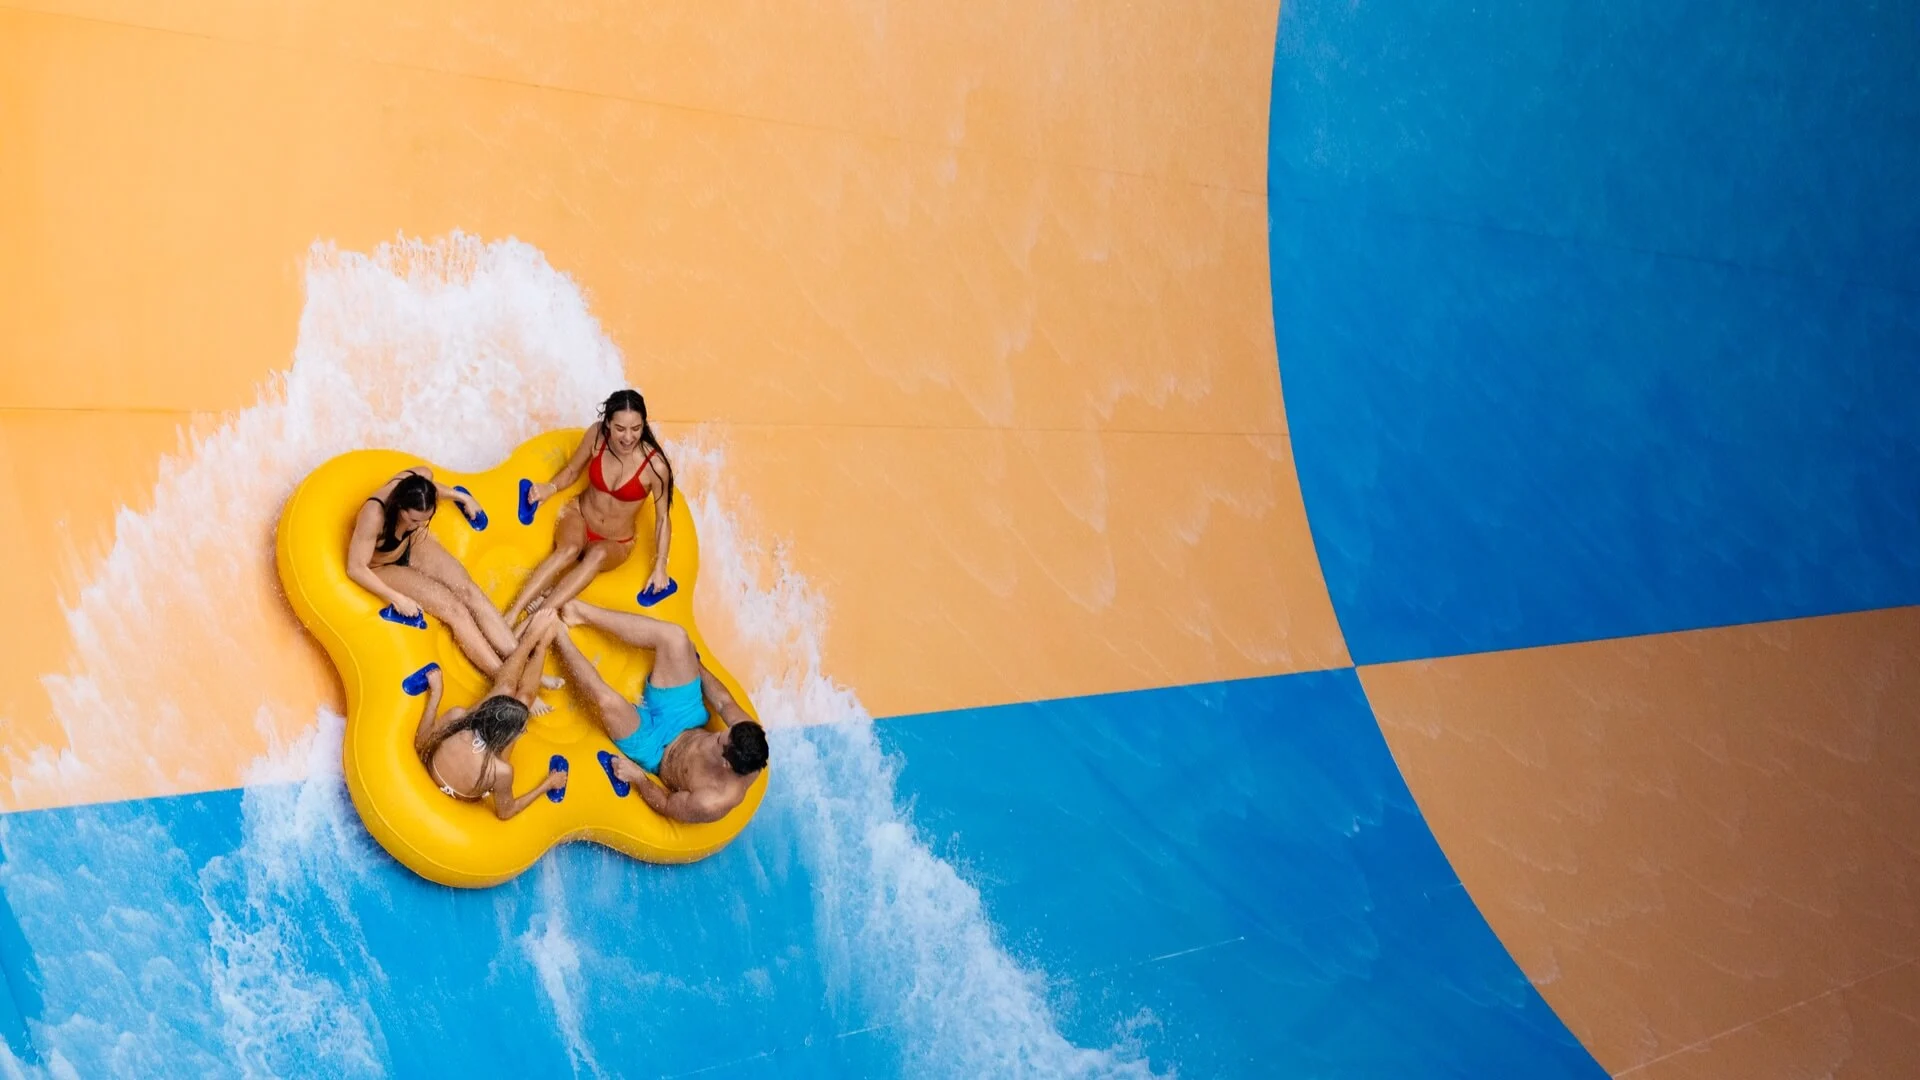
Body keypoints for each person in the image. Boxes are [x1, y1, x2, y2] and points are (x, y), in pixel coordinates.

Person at [348, 468, 557, 704]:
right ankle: (507, 679)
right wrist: (396, 598)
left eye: (426, 518)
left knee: (468, 590)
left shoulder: (416, 485)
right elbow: (356, 567)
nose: (420, 523)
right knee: (454, 609)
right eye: (414, 519)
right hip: (381, 565)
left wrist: (462, 497)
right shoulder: (374, 515)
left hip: (411, 545)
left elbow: (431, 489)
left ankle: (523, 665)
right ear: (399, 507)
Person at [551, 600, 767, 824]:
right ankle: (580, 613)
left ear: (726, 764)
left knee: (608, 702)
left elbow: (667, 805)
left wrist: (639, 778)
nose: (717, 735)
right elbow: (723, 702)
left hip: (655, 750)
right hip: (685, 718)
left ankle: (557, 635)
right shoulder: (748, 734)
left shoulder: (711, 800)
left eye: (719, 741)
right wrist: (696, 666)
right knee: (676, 637)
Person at [504, 389, 677, 627]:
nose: (628, 437)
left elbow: (662, 520)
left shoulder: (655, 466)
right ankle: (513, 612)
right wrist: (550, 488)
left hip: (616, 541)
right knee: (569, 549)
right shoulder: (597, 436)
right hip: (580, 515)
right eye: (620, 428)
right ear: (608, 422)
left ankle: (536, 619)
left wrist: (660, 567)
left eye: (636, 429)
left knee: (598, 554)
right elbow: (573, 470)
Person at [412, 609, 569, 818]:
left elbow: (421, 743)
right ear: (505, 738)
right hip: (470, 786)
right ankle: (540, 647)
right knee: (523, 700)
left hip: (460, 754)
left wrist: (436, 694)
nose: (523, 733)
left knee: (504, 690)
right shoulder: (500, 771)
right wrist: (548, 784)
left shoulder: (457, 718)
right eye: (521, 730)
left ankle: (530, 639)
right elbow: (506, 812)